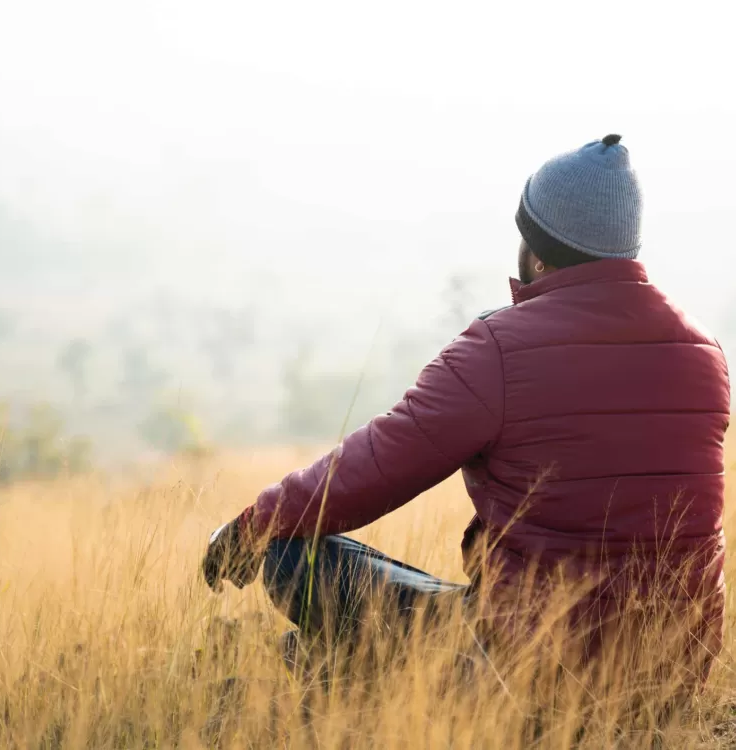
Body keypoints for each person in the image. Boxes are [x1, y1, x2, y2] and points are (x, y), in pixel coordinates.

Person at [202, 135, 730, 680]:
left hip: (530, 658)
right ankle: (357, 674)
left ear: (538, 252)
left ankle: (365, 677)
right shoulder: (704, 351)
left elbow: (374, 465)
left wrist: (253, 525)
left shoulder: (499, 348)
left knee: (293, 558)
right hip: (676, 665)